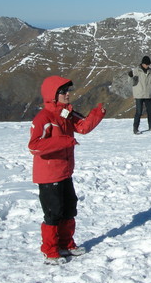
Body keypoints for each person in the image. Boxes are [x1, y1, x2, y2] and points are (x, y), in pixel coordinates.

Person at [28, 76, 106, 265]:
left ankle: (66, 244)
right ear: (53, 95)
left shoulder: (66, 114)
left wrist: (98, 113)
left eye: (68, 91)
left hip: (64, 171)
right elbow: (34, 145)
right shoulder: (44, 118)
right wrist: (63, 141)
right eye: (63, 92)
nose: (68, 94)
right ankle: (50, 250)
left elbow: (83, 127)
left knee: (69, 208)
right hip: (48, 175)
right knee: (53, 213)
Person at [128, 56, 151, 134]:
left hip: (147, 94)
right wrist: (130, 76)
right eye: (146, 64)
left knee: (150, 112)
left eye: (148, 64)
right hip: (139, 95)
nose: (148, 66)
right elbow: (131, 83)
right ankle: (135, 129)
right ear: (143, 64)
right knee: (139, 112)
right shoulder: (136, 71)